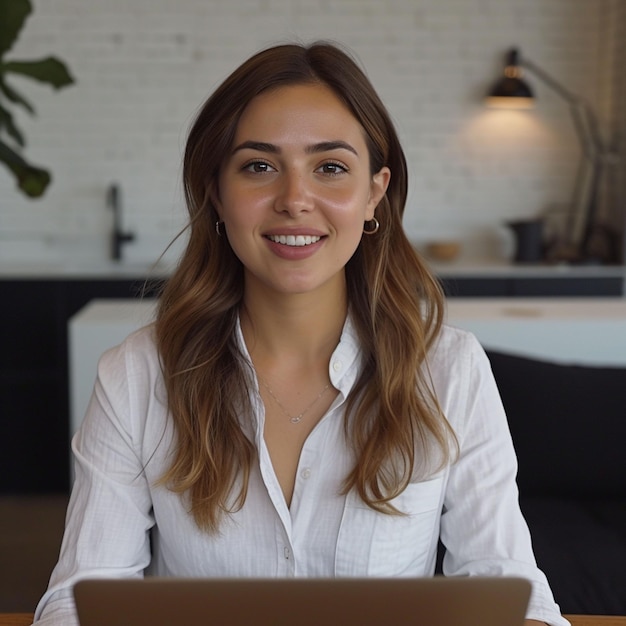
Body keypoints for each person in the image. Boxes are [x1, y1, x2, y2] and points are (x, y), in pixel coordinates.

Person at [33, 41, 569, 626]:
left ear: (374, 194)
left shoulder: (449, 369)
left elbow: (509, 583)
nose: (294, 200)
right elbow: (79, 597)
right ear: (216, 191)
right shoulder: (136, 375)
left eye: (330, 168)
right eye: (259, 166)